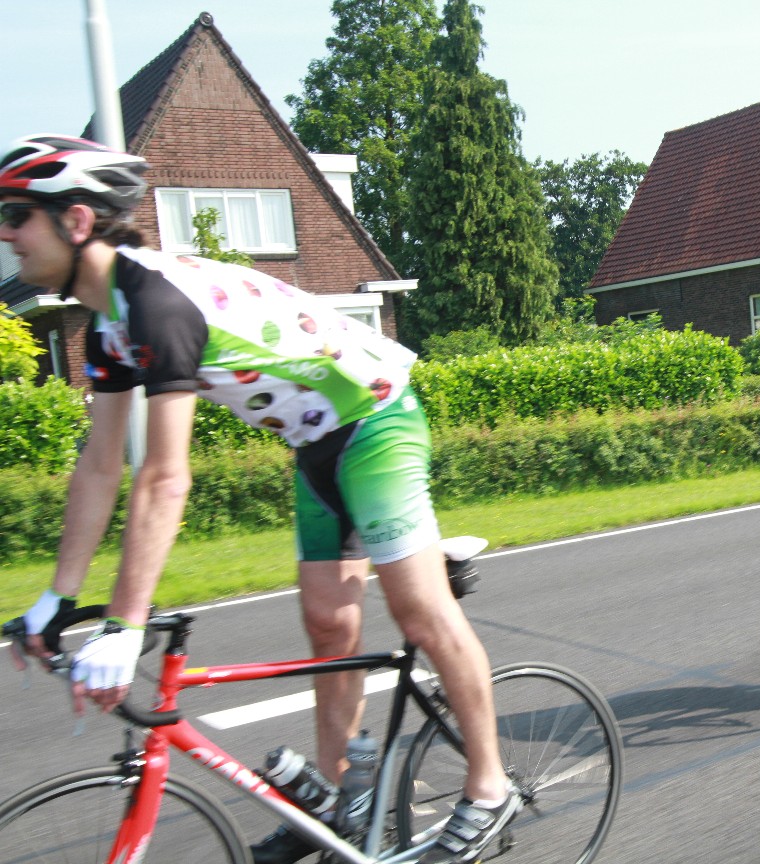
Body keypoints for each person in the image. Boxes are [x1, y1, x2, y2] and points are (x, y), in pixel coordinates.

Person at [0, 134, 516, 864]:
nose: (6, 233)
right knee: (327, 622)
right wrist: (57, 597)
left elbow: (165, 477)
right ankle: (340, 804)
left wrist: (124, 623)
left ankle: (489, 787)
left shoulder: (155, 305)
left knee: (418, 611)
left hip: (375, 419)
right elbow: (99, 465)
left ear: (77, 220)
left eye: (17, 214)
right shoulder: (110, 325)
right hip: (315, 442)